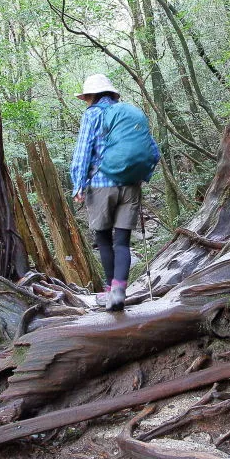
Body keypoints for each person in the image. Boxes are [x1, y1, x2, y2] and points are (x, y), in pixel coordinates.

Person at [70, 74, 160, 310]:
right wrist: (141, 175)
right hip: (130, 185)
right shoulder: (128, 116)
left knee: (103, 240)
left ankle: (110, 290)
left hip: (101, 186)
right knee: (122, 242)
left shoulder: (91, 115)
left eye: (86, 97)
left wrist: (78, 184)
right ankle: (120, 290)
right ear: (111, 94)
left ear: (91, 96)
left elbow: (83, 151)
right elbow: (153, 151)